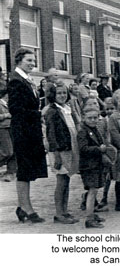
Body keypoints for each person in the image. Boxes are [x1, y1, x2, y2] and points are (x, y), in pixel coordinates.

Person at [8, 48, 48, 223]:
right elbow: (15, 109)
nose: (32, 63)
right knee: (24, 170)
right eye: (29, 60)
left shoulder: (26, 79)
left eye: (33, 61)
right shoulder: (16, 81)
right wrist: (39, 114)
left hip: (30, 130)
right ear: (19, 61)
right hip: (23, 131)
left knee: (28, 170)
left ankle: (22, 206)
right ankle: (26, 208)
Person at [45, 82, 79, 224]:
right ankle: (59, 213)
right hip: (59, 150)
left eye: (64, 93)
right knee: (61, 181)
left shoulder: (67, 108)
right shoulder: (52, 111)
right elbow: (51, 134)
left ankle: (64, 211)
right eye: (59, 93)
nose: (62, 95)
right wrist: (57, 154)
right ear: (53, 95)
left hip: (69, 148)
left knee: (67, 180)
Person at [77, 105, 107, 228]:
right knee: (92, 190)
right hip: (88, 166)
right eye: (90, 118)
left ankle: (92, 213)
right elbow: (83, 148)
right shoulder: (83, 131)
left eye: (95, 117)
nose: (93, 120)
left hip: (96, 164)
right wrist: (98, 149)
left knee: (94, 190)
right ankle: (89, 218)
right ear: (84, 118)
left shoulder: (95, 129)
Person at [0, 82, 16, 182]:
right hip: (3, 128)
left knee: (14, 151)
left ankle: (10, 172)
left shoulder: (10, 104)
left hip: (12, 128)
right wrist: (6, 115)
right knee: (7, 152)